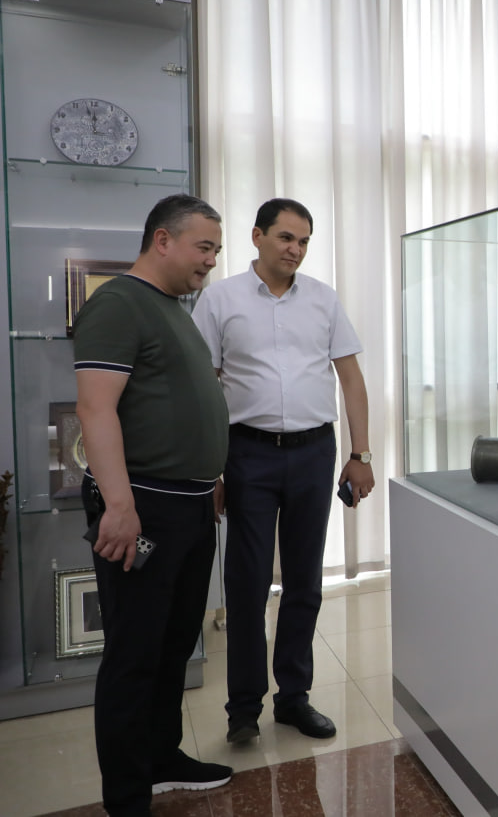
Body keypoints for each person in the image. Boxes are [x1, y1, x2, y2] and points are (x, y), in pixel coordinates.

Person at [191, 198, 375, 745]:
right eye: (286, 238)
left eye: (304, 241)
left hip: (314, 453)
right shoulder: (219, 299)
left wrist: (361, 455)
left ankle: (293, 698)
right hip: (247, 453)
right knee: (246, 583)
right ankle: (244, 709)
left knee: (304, 581)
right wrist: (211, 469)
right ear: (257, 236)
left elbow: (351, 379)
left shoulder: (322, 299)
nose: (295, 249)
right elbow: (204, 389)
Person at [75, 194, 232, 816]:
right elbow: (95, 409)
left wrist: (208, 475)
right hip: (143, 507)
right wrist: (119, 505)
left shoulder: (172, 307)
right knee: (135, 653)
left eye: (216, 250)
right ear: (162, 240)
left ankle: (162, 757)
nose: (211, 261)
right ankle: (126, 796)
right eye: (203, 247)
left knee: (174, 643)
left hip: (190, 506)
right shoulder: (119, 302)